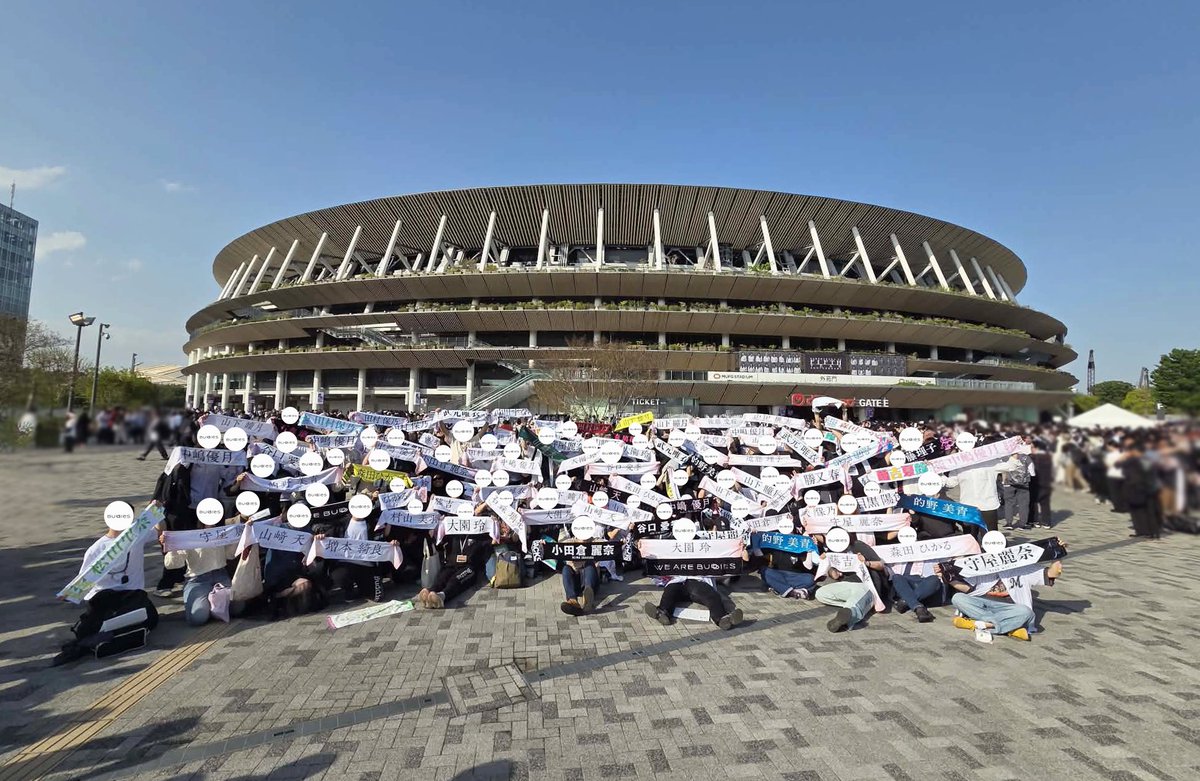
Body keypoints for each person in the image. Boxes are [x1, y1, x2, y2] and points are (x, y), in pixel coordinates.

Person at [52, 518, 160, 665]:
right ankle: (101, 638)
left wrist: (158, 511)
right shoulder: (95, 550)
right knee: (87, 628)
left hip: (132, 598)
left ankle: (100, 638)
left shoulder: (137, 536)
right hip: (105, 600)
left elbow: (159, 530)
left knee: (152, 619)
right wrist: (69, 594)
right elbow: (84, 583)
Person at [943, 559, 1064, 643]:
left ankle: (976, 624)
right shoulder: (981, 565)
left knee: (1026, 612)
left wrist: (1057, 554)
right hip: (983, 604)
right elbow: (968, 589)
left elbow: (1051, 573)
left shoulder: (1023, 568)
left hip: (1009, 608)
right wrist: (946, 576)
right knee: (957, 598)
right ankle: (1009, 628)